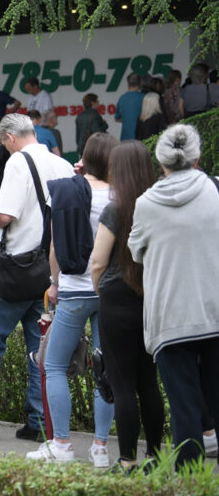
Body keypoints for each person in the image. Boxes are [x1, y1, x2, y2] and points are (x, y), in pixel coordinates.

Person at [0, 113, 73, 443]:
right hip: (51, 274)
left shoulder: (18, 162)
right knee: (41, 351)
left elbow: (6, 215)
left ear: (9, 138)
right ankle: (37, 422)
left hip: (16, 271)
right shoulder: (61, 164)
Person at [128, 124, 219, 469]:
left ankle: (188, 482)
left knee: (184, 409)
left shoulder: (146, 203)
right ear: (196, 157)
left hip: (170, 317)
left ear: (161, 162)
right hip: (215, 311)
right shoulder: (215, 188)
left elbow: (136, 251)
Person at [26, 132, 117, 466]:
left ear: (85, 157)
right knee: (104, 370)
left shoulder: (67, 191)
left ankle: (62, 445)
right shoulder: (123, 195)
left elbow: (54, 246)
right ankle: (101, 448)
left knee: (54, 365)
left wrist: (53, 283)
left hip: (75, 289)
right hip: (110, 291)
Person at [88, 141, 165, 473]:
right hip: (152, 299)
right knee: (149, 381)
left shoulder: (115, 210)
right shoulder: (159, 208)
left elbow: (97, 262)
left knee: (122, 384)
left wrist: (101, 291)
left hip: (116, 300)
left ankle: (127, 459)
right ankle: (156, 457)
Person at [115, 74, 146, 141]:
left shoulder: (122, 98)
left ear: (128, 83)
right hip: (140, 139)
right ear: (140, 83)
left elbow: (117, 118)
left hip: (125, 139)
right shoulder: (145, 98)